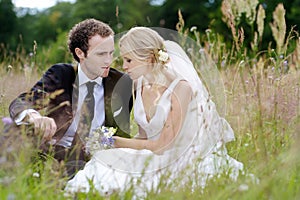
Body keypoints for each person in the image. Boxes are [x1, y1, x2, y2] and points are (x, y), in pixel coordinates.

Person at [64, 27, 244, 197]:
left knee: (134, 177)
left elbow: (163, 145)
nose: (124, 67)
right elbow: (143, 137)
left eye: (129, 60)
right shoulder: (139, 85)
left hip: (176, 156)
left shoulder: (181, 89)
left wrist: (114, 141)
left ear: (149, 58)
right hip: (153, 151)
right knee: (106, 160)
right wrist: (107, 144)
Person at [8, 18, 133, 177]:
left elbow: (121, 134)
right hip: (52, 154)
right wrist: (34, 116)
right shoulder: (61, 74)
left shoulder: (121, 84)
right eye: (101, 54)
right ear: (80, 53)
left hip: (95, 159)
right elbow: (22, 102)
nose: (108, 60)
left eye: (111, 53)